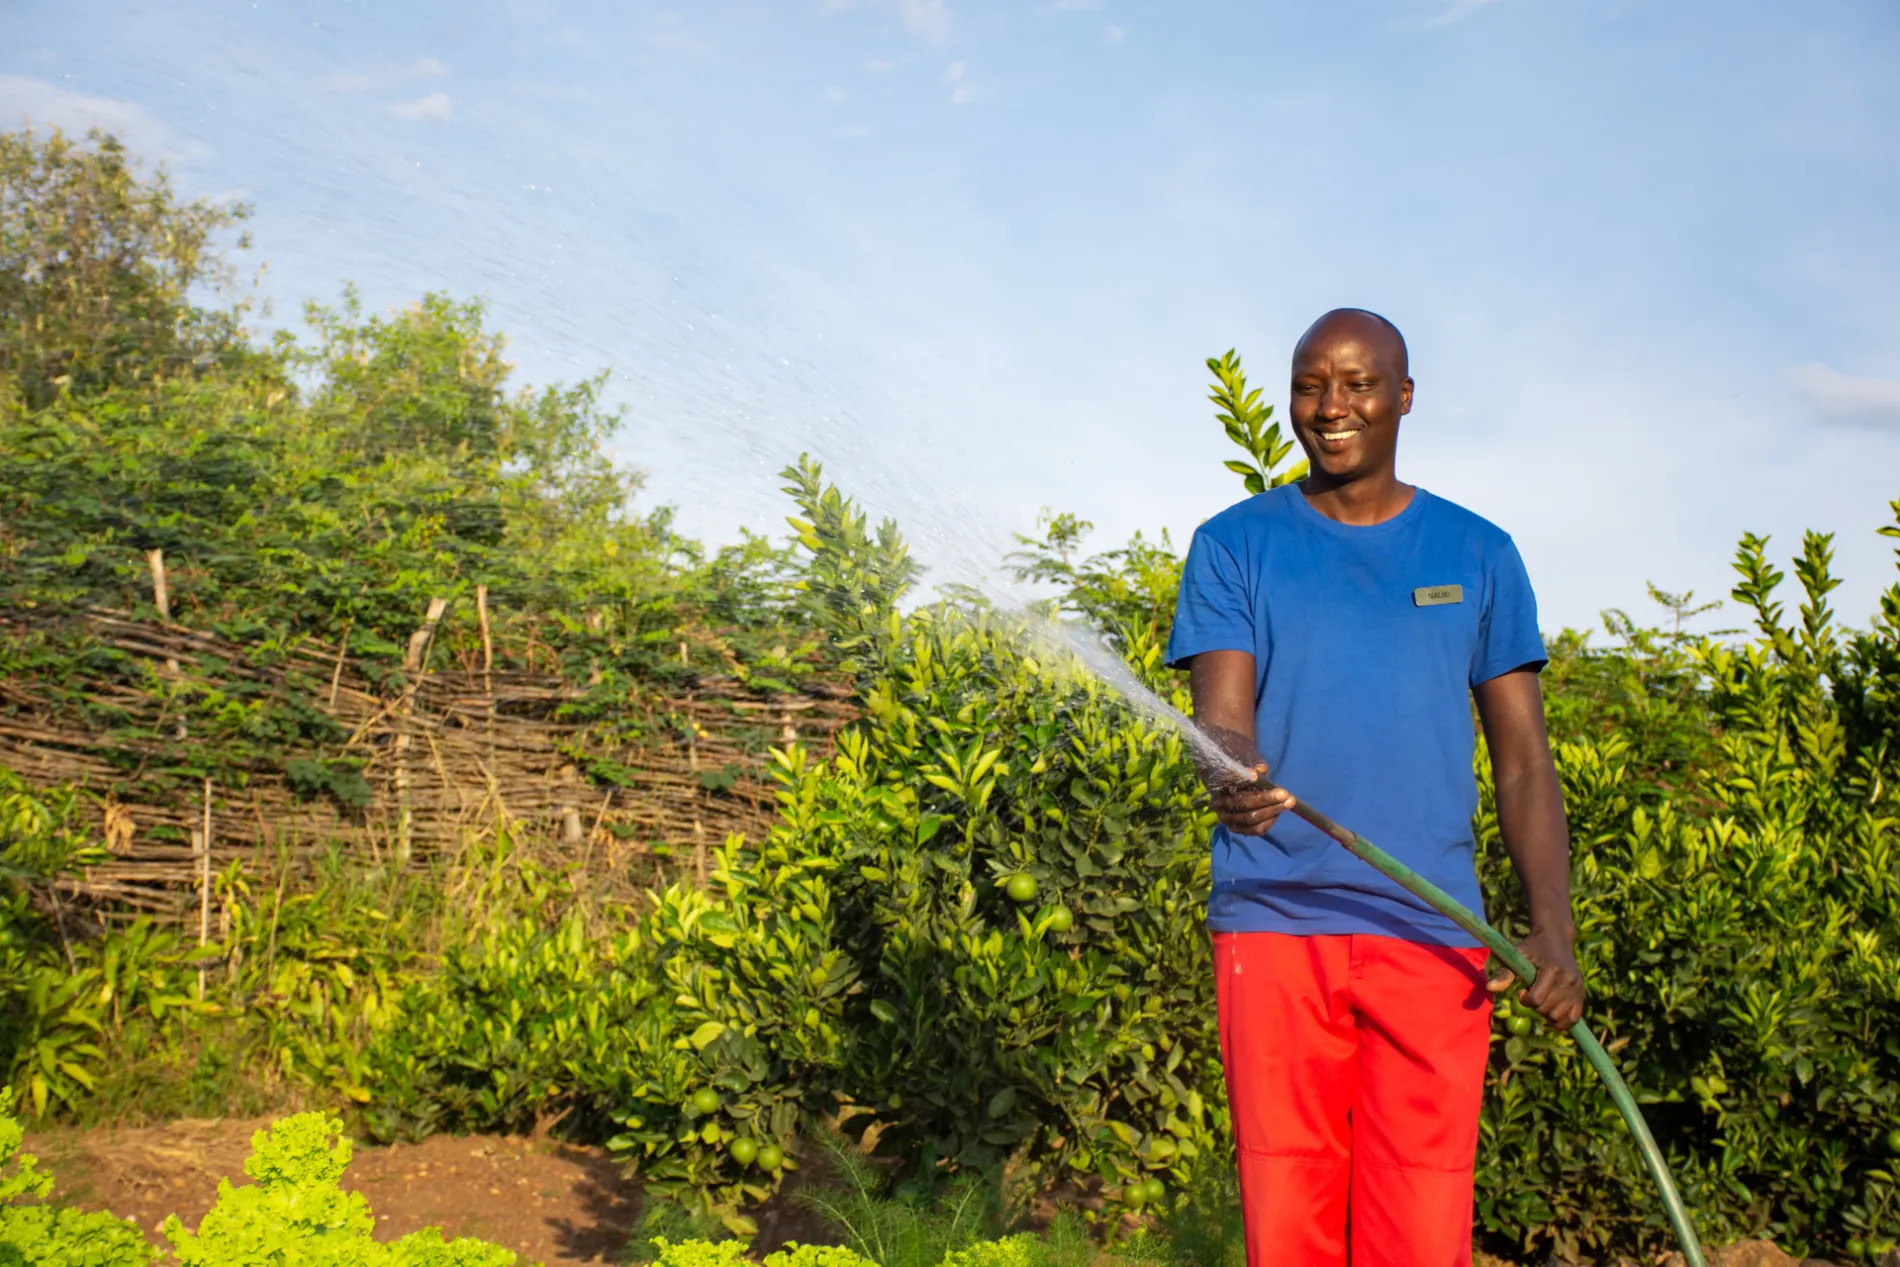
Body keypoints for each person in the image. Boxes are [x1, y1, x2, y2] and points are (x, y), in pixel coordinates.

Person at [1165, 308, 1584, 1267]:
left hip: (1436, 933)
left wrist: (1551, 927)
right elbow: (1220, 719)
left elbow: (1523, 761)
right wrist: (1228, 773)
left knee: (1421, 1231)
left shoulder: (1479, 553)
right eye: (1312, 384)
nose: (1332, 405)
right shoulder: (1234, 544)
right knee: (1291, 1221)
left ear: (1403, 396)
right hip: (1274, 924)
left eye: (1357, 383)